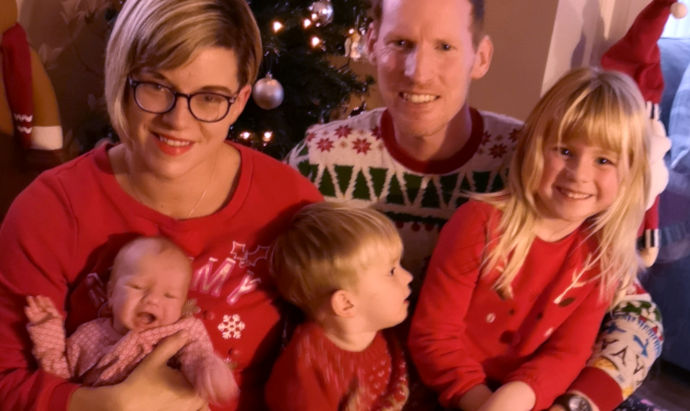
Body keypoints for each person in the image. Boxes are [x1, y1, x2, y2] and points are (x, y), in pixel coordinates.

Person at [285, 0, 664, 409]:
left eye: (445, 47)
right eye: (401, 43)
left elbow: (636, 314)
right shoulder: (319, 160)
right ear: (372, 43)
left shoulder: (529, 159)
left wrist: (577, 402)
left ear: (480, 57)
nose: (418, 71)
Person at [0, 0, 322, 409]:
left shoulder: (290, 204)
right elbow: (7, 380)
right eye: (156, 86)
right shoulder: (50, 209)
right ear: (123, 79)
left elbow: (344, 334)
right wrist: (102, 406)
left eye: (209, 97)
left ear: (240, 101)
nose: (178, 121)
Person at [408, 67, 651, 411]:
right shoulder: (479, 223)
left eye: (603, 160)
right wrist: (483, 403)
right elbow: (433, 336)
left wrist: (518, 398)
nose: (579, 174)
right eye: (564, 151)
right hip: (449, 393)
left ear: (629, 174)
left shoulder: (601, 258)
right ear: (535, 148)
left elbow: (567, 354)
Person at [25, 236, 237, 406]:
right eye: (138, 287)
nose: (152, 299)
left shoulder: (183, 331)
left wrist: (208, 370)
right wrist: (47, 332)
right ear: (110, 293)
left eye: (169, 296)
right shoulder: (88, 336)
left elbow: (196, 355)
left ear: (182, 305)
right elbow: (59, 377)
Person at [265, 202, 413, 410]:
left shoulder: (389, 327)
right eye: (391, 272)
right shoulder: (308, 366)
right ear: (346, 303)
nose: (408, 277)